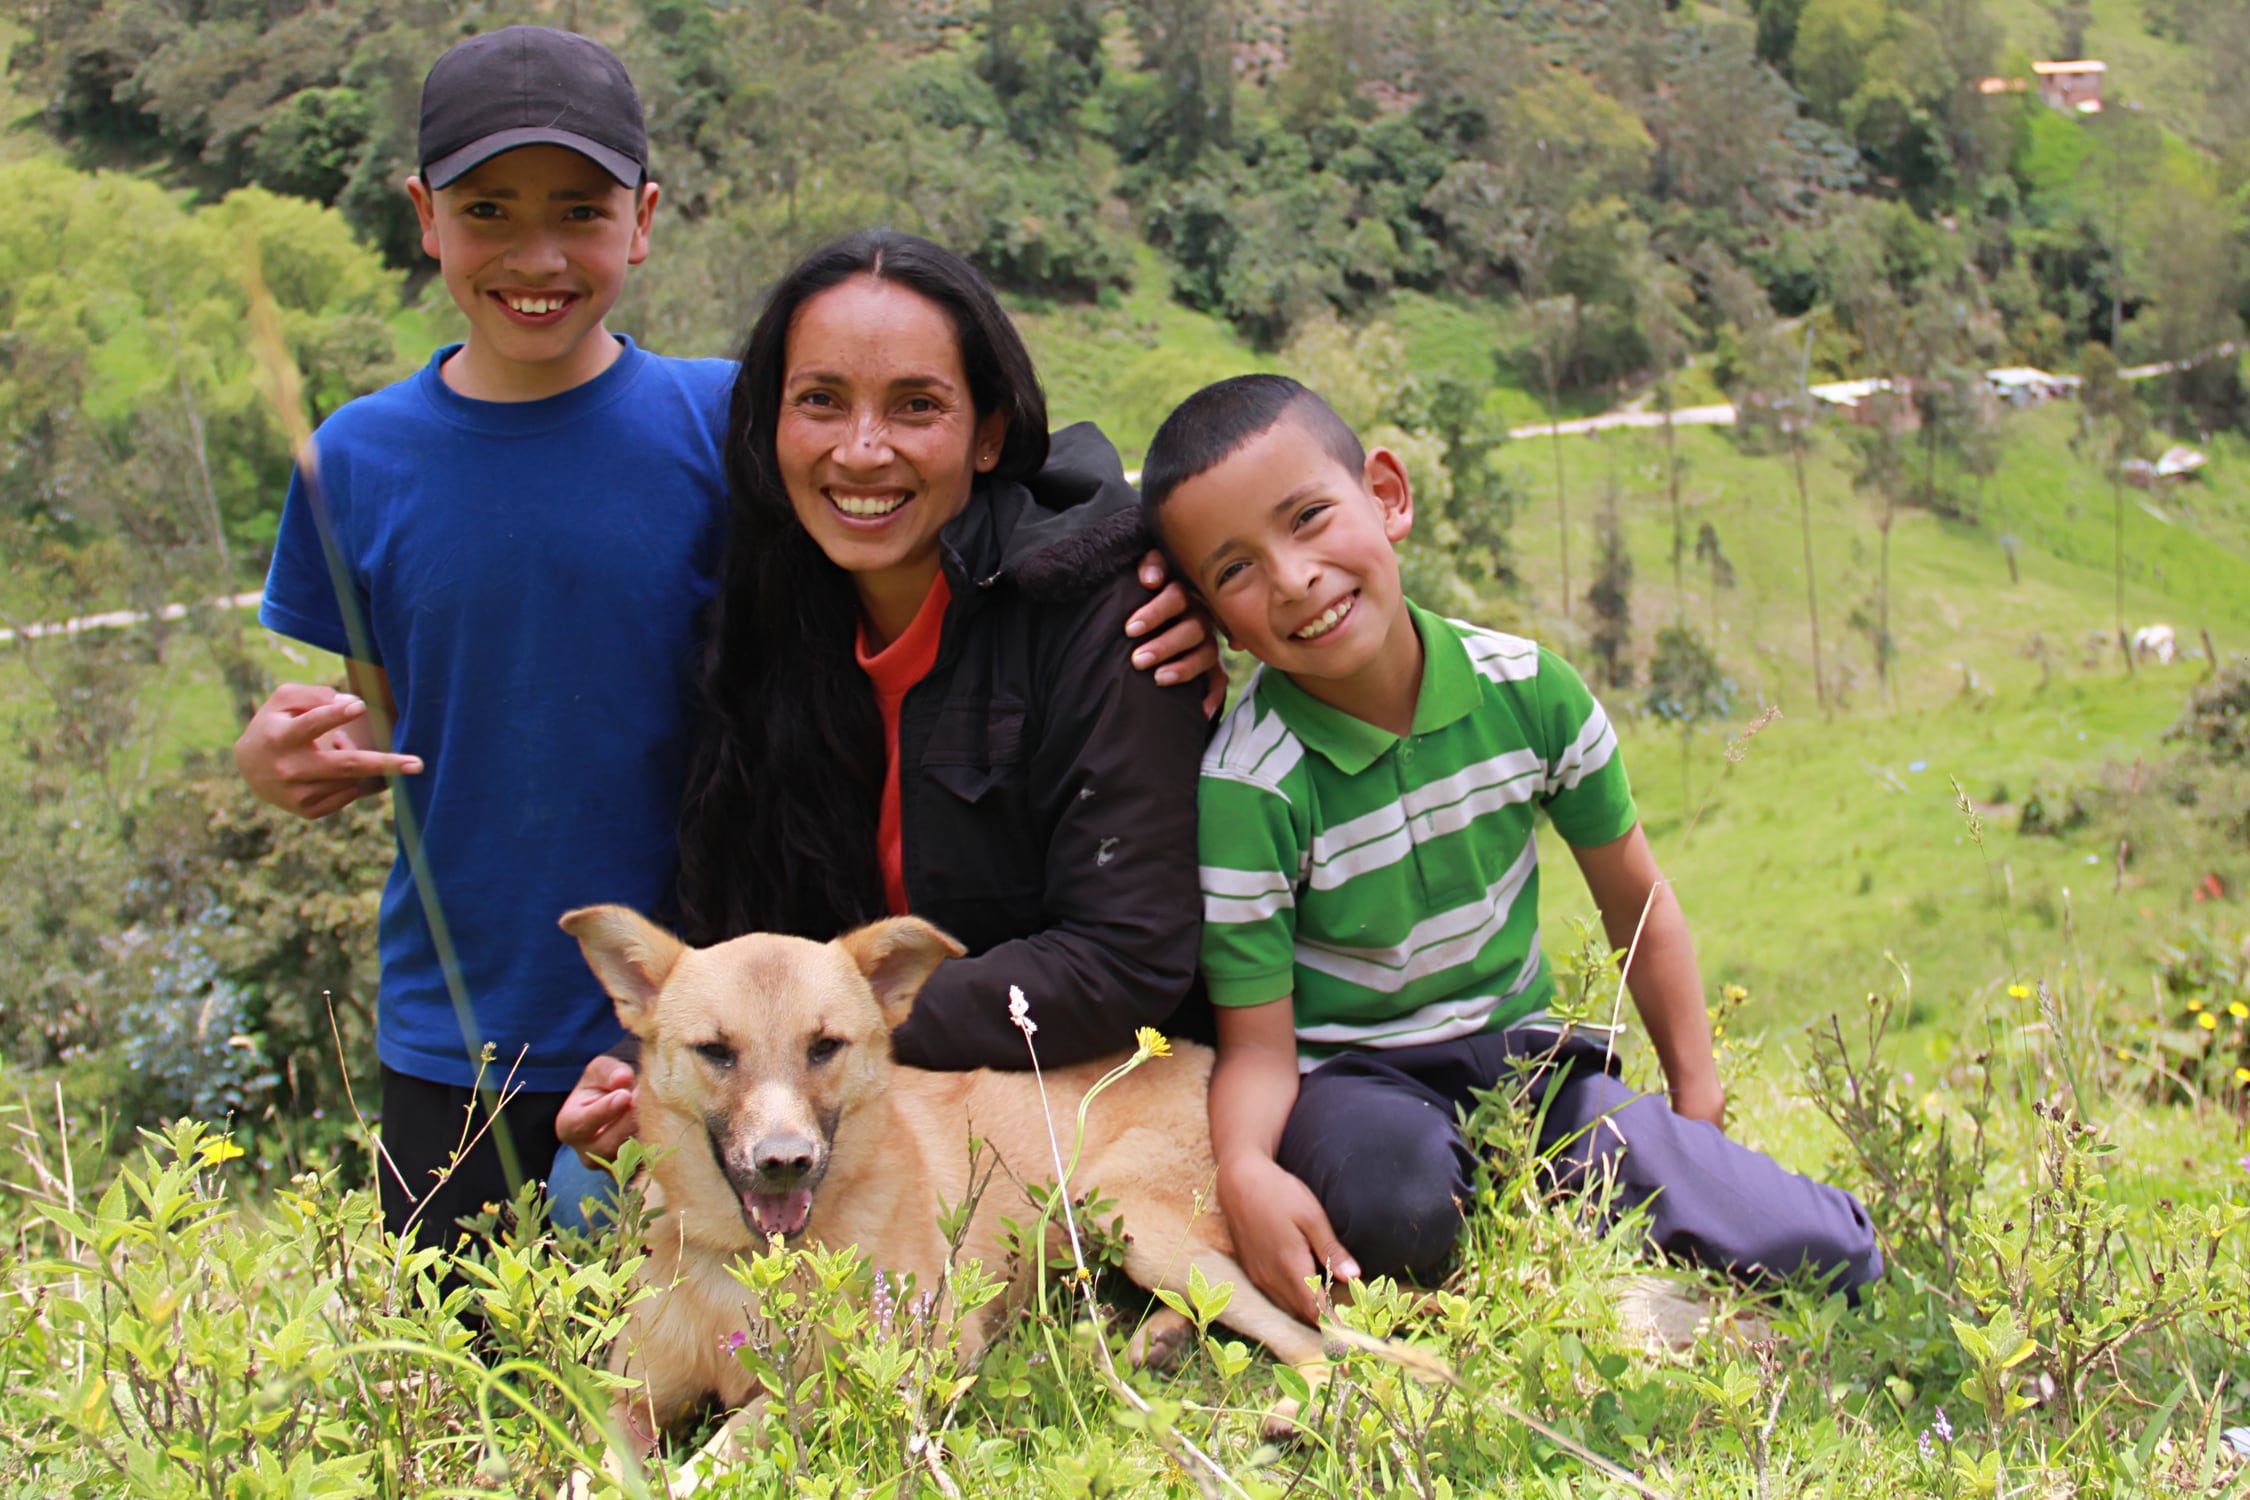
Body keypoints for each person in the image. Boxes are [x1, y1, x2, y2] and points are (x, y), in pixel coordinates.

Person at [234, 29, 1212, 1248]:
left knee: (695, 1281)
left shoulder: (711, 423)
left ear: (639, 220)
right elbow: (387, 718)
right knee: (475, 1348)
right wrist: (279, 765)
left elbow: (1011, 460)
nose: (537, 254)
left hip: (732, 1020)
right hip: (489, 1008)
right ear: (423, 215)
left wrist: (1172, 568)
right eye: (488, 210)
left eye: (579, 212)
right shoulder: (358, 461)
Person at [1138, 373, 1882, 1325]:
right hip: (1356, 1090)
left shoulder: (1533, 692)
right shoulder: (1251, 783)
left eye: (1311, 518)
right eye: (1235, 570)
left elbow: (1638, 906)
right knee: (1394, 1209)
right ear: (1211, 615)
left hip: (1530, 1072)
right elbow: (1258, 1045)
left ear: (1388, 496)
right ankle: (1503, 1235)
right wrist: (1244, 1168)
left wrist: (1697, 1105)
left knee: (1829, 1255)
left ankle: (1568, 1191)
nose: (1293, 580)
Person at [551, 231, 1212, 1197]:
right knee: (593, 1192)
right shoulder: (767, 622)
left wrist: (842, 1035)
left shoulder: (1107, 614)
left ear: (988, 432)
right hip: (840, 1090)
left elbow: (1125, 958)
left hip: (1072, 1094)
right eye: (820, 401)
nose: (862, 450)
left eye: (916, 406)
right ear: (771, 427)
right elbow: (746, 937)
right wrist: (682, 1068)